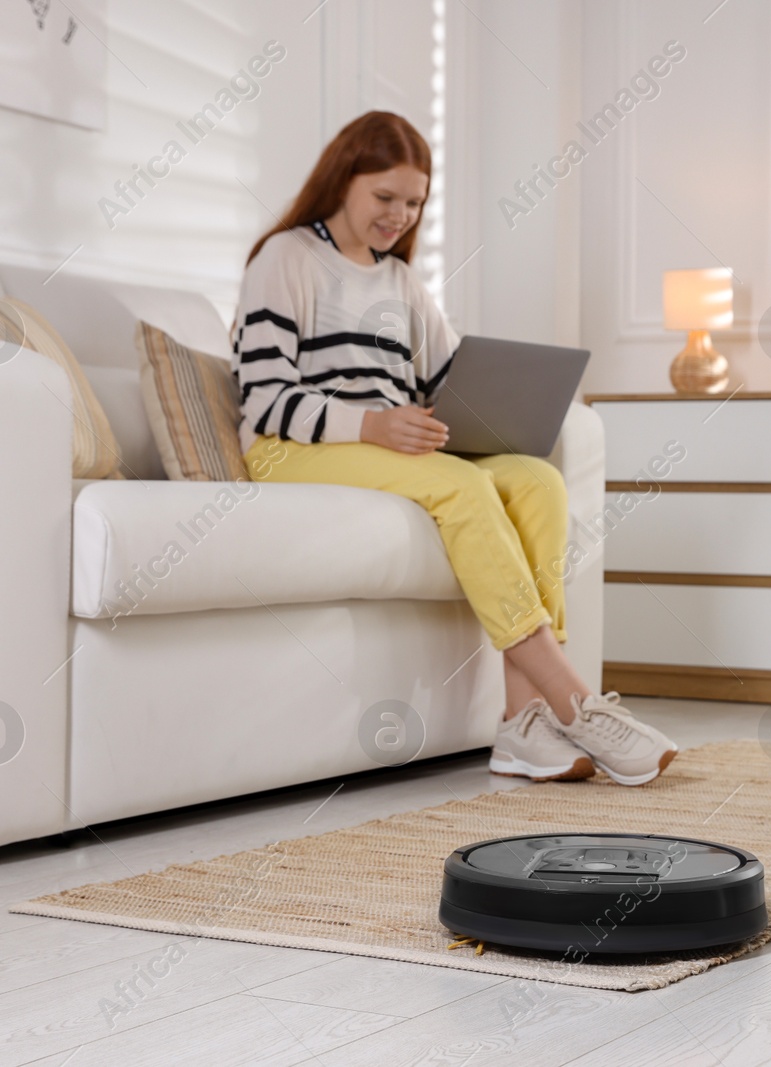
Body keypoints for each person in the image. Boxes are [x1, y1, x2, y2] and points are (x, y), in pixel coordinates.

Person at [233, 111, 678, 786]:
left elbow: (445, 389)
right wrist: (373, 424)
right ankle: (575, 702)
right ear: (342, 179)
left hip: (386, 442)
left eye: (414, 204)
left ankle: (522, 725)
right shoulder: (287, 257)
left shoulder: (402, 283)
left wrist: (487, 412)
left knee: (537, 480)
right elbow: (264, 397)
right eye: (385, 198)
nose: (399, 217)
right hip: (289, 445)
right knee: (463, 488)